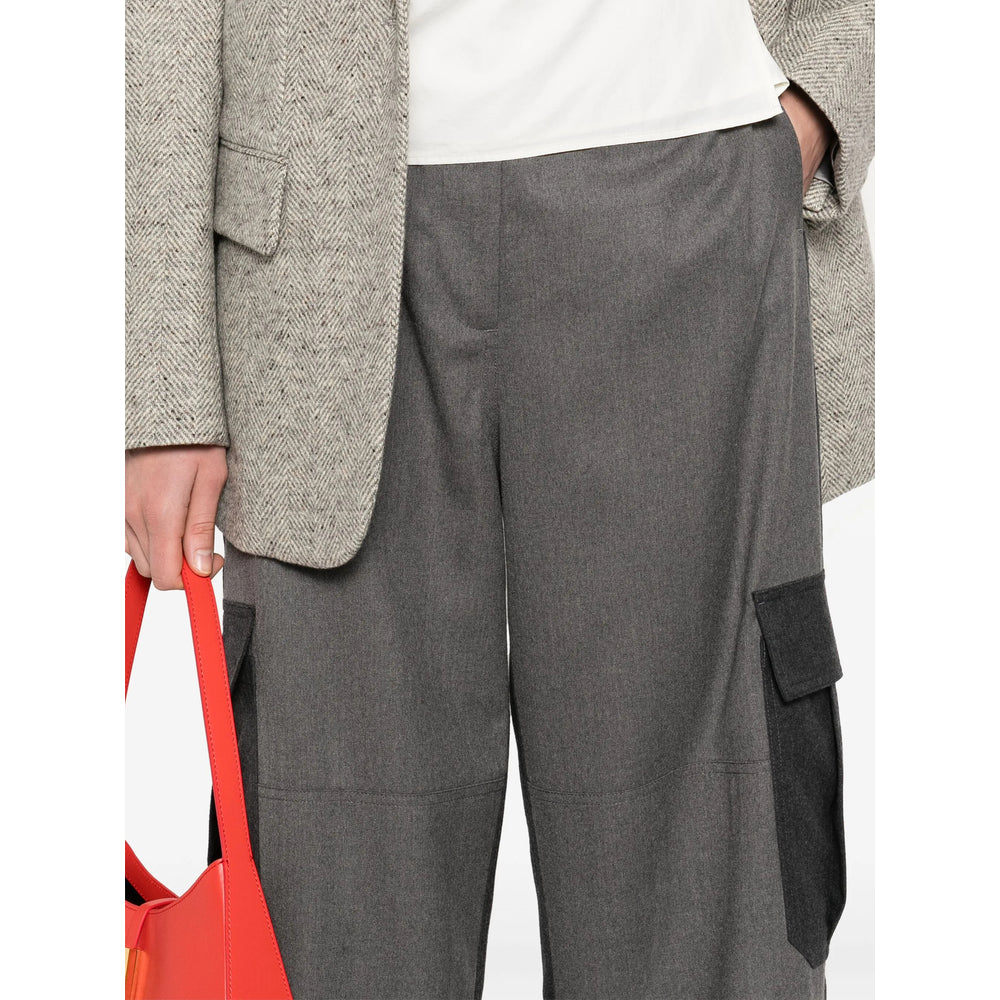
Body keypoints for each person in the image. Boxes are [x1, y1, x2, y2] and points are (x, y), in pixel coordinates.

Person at [125, 1, 874, 997]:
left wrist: (817, 95)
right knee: (331, 909)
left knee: (711, 896)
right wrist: (164, 382)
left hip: (686, 187)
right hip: (315, 259)